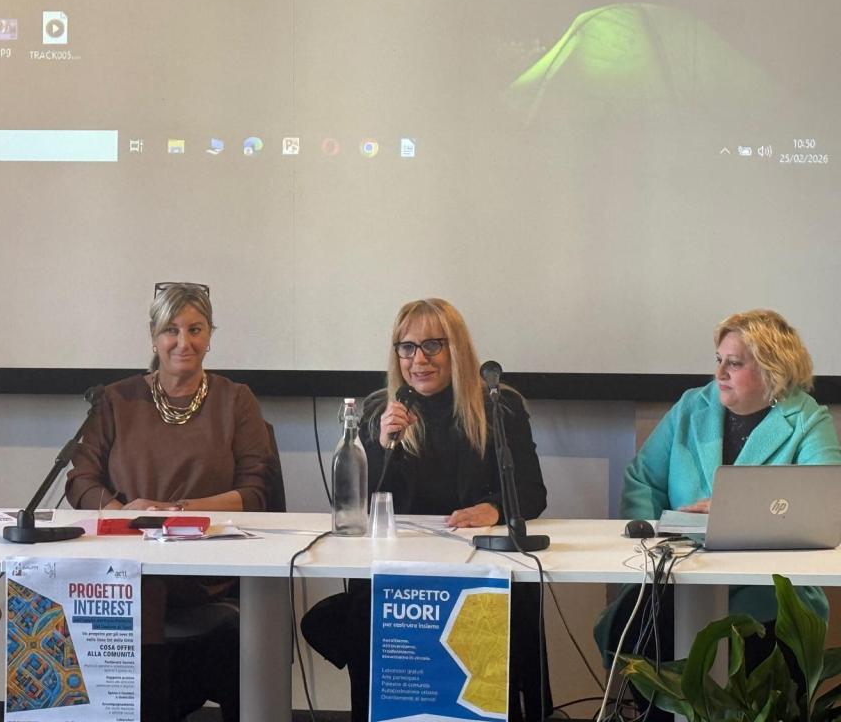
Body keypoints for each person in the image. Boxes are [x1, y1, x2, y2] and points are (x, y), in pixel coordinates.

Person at [301, 298, 552, 722]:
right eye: (407, 347)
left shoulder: (498, 405)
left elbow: (533, 491)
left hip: (478, 573)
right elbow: (353, 506)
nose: (419, 359)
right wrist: (380, 446)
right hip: (400, 573)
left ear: (458, 349)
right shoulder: (382, 409)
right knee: (359, 617)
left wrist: (494, 508)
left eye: (433, 345)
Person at [595, 309, 841, 720]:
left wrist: (734, 511)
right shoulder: (693, 406)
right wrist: (651, 540)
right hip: (678, 575)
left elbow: (824, 499)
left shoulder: (807, 419)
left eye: (734, 363)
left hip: (766, 585)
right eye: (718, 359)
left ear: (772, 369)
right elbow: (642, 479)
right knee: (634, 627)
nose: (720, 372)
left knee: (761, 653)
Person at [65, 282, 276, 722]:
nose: (184, 342)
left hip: (207, 564)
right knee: (132, 583)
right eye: (171, 330)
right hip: (128, 559)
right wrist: (125, 512)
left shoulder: (236, 400)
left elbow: (257, 492)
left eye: (196, 329)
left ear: (211, 335)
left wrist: (181, 513)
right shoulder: (116, 399)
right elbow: (80, 480)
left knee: (145, 588)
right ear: (153, 335)